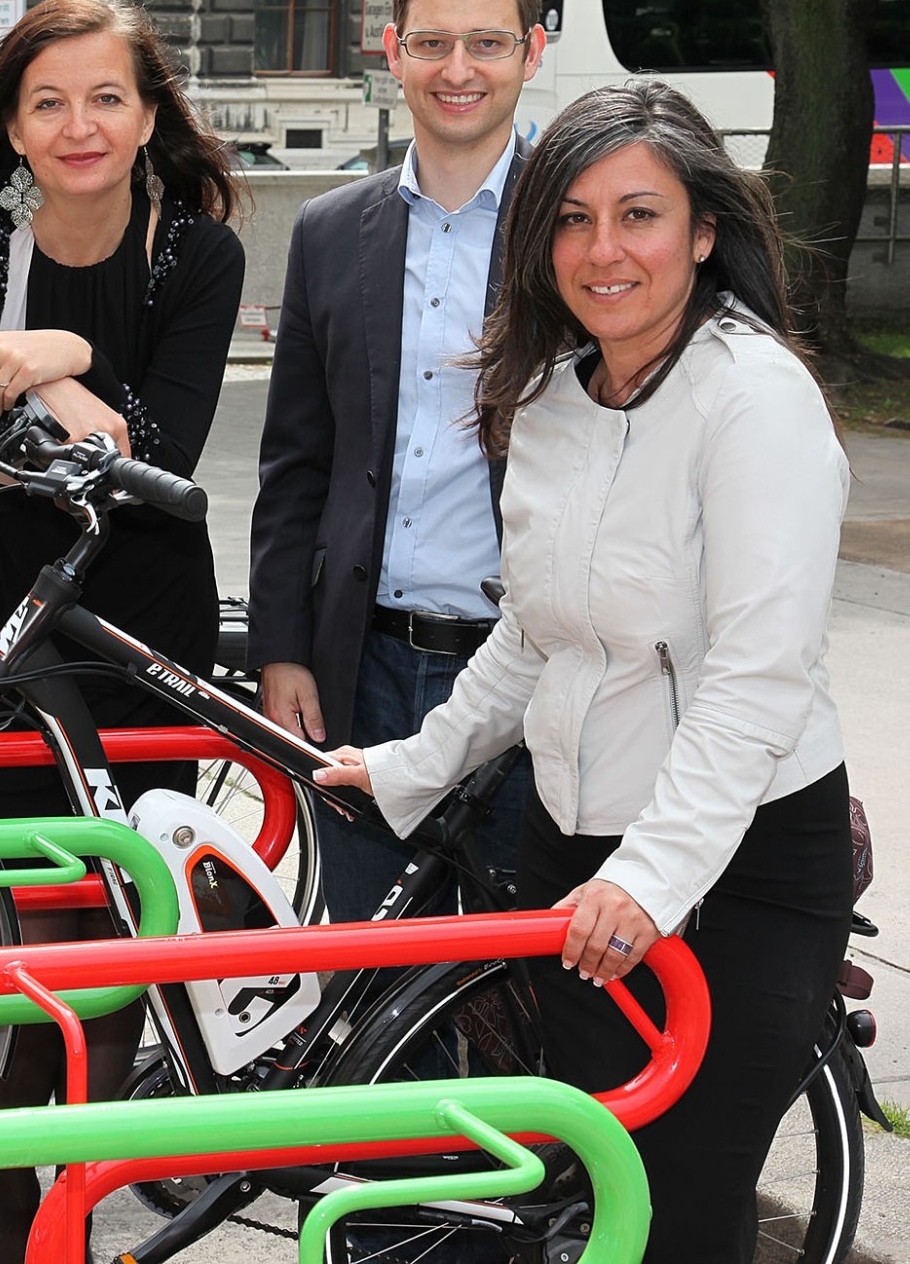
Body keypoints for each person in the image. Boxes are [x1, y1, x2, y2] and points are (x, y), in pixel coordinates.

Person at [316, 78, 852, 1262]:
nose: (600, 250)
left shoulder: (751, 400)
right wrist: (414, 763)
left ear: (702, 231)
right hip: (574, 851)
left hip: (738, 860)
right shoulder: (553, 396)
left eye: (637, 215)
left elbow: (756, 678)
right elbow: (531, 631)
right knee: (595, 1197)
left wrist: (650, 878)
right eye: (569, 218)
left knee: (677, 1209)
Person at [0, 0, 244, 1264]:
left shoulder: (195, 252)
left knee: (115, 946)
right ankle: (19, 1226)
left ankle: (53, 1228)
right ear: (10, 127)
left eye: (106, 98)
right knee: (22, 942)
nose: (79, 126)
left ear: (146, 117)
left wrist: (56, 353)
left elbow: (159, 457)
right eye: (47, 102)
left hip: (141, 638)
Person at [246, 0, 546, 922]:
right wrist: (282, 644)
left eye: (485, 43)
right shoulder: (331, 233)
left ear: (531, 52)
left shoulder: (579, 226)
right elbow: (295, 462)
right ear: (390, 51)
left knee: (533, 979)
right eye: (430, 44)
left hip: (536, 668)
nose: (456, 70)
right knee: (375, 979)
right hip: (364, 672)